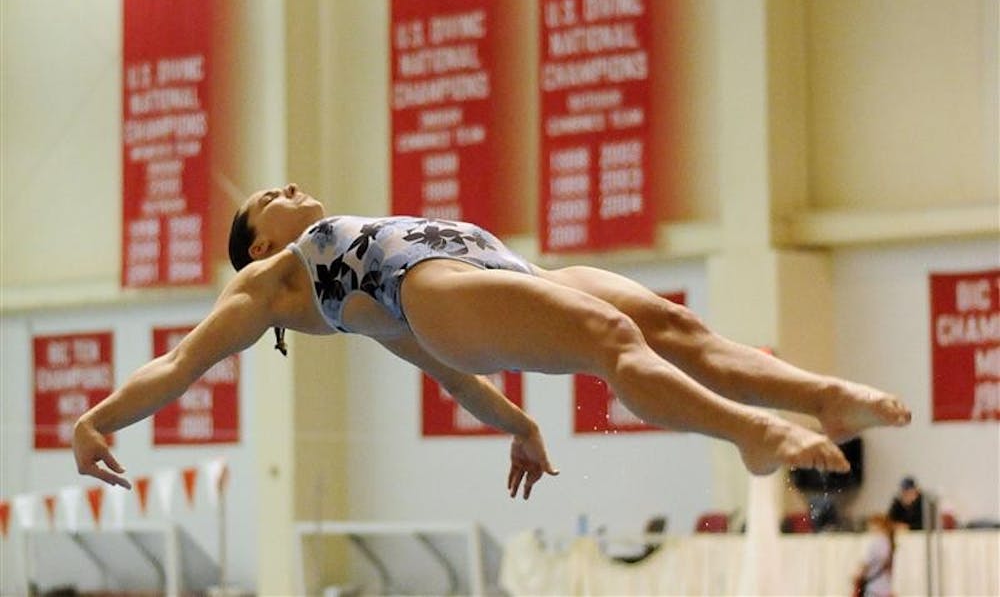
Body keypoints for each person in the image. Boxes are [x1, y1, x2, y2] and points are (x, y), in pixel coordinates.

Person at [72, 184, 912, 500]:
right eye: (271, 196)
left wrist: (517, 425)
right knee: (610, 336)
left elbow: (445, 373)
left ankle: (816, 396)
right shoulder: (269, 281)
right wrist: (96, 420)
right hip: (436, 285)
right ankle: (752, 435)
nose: (291, 186)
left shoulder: (347, 283)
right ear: (255, 244)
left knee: (672, 323)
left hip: (489, 267)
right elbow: (183, 361)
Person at [852, 514, 895, 597]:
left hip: (873, 588)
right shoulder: (889, 543)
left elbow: (866, 563)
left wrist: (857, 576)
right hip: (885, 587)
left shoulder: (876, 542)